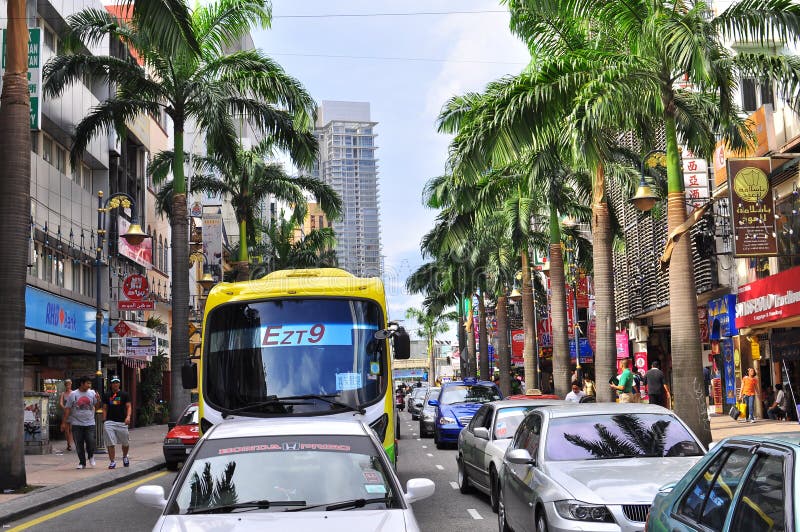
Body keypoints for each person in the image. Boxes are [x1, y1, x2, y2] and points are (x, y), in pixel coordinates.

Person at [61, 376, 99, 469]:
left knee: (91, 441)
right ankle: (82, 462)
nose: (89, 385)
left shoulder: (92, 393)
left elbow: (97, 406)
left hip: (90, 423)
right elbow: (67, 409)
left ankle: (91, 456)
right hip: (77, 423)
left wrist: (98, 399)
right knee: (79, 444)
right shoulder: (73, 394)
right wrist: (64, 422)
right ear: (82, 384)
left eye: (90, 383)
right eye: (87, 383)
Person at [102, 376, 132, 469]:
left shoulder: (124, 394)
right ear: (111, 384)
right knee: (110, 442)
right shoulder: (107, 395)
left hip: (122, 422)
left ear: (119, 383)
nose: (115, 384)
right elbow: (104, 408)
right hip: (109, 422)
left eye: (117, 382)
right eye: (113, 382)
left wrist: (128, 417)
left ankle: (125, 457)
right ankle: (112, 461)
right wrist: (104, 419)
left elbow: (128, 407)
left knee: (125, 442)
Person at [58, 379, 74, 452]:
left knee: (71, 429)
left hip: (72, 413)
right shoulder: (63, 394)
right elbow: (61, 403)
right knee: (66, 430)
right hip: (65, 413)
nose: (68, 386)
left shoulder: (73, 393)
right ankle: (68, 443)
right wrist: (64, 408)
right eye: (67, 385)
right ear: (65, 386)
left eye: (69, 384)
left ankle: (70, 444)